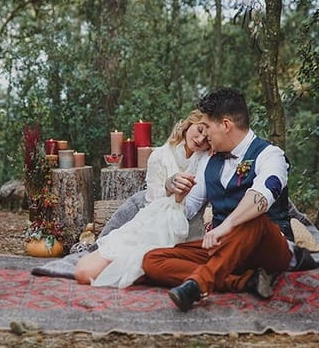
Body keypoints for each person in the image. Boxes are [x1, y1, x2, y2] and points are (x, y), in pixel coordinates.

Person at [142, 87, 295, 311]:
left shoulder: (270, 155)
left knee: (254, 219)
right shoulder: (207, 161)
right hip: (225, 247)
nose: (205, 136)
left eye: (207, 128)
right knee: (152, 260)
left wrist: (226, 226)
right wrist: (173, 191)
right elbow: (190, 208)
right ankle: (243, 281)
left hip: (269, 248)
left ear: (225, 125)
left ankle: (197, 285)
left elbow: (264, 193)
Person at [74, 110, 211, 287]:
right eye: (199, 130)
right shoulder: (159, 156)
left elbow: (193, 207)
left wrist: (179, 197)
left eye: (207, 139)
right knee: (83, 270)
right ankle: (135, 266)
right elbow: (154, 204)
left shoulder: (206, 160)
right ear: (189, 123)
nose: (200, 140)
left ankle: (144, 270)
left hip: (186, 233)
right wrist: (169, 187)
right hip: (152, 225)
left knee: (96, 272)